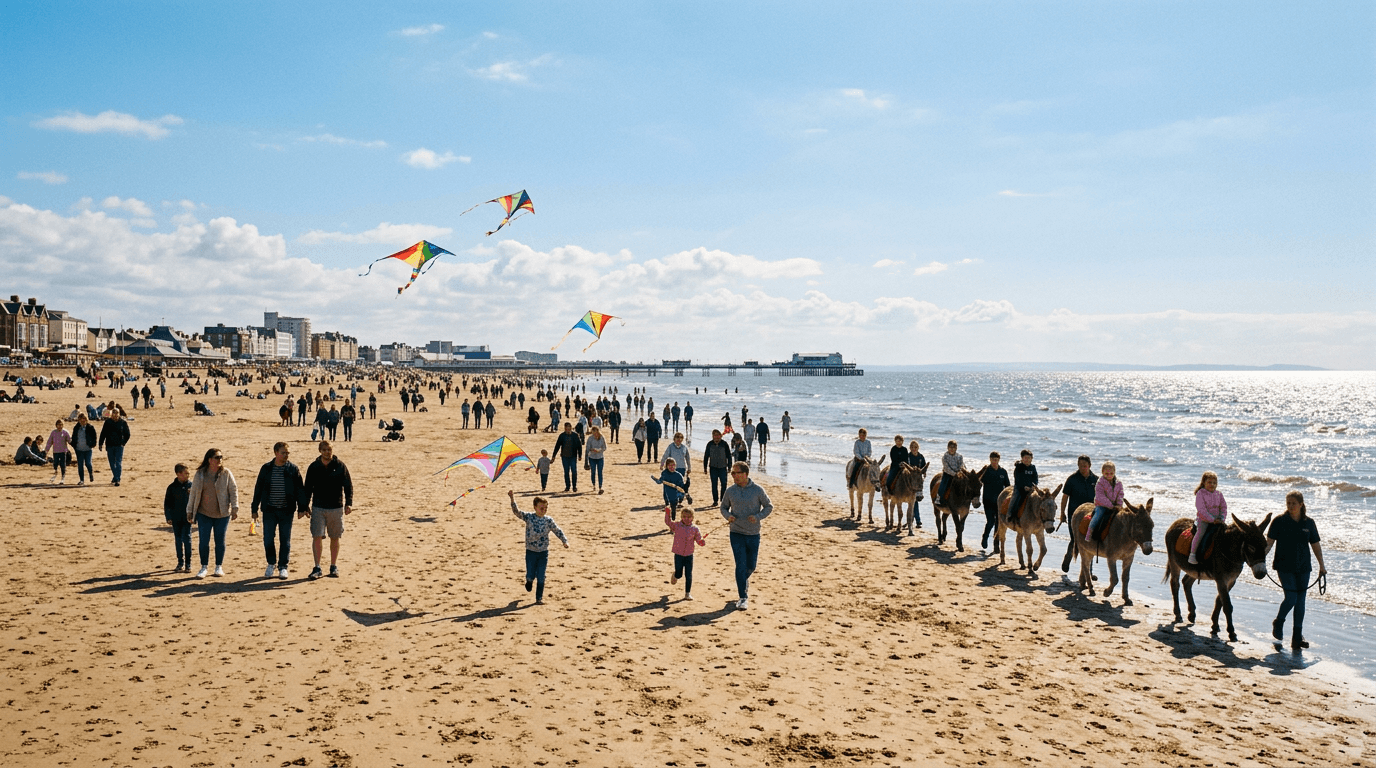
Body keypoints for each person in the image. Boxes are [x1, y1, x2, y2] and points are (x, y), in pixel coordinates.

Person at [1268, 491, 1325, 651]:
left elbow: (1315, 546)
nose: (1291, 506)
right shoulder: (1279, 521)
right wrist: (1258, 561)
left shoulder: (1309, 523)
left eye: (1294, 503)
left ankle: (1297, 638)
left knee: (1301, 601)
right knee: (1291, 598)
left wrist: (1322, 565)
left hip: (1304, 567)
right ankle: (1279, 621)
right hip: (1284, 566)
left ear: (1301, 504)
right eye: (1288, 503)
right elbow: (1269, 544)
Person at [251, 442, 307, 580]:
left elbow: (300, 489)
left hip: (286, 510)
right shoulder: (266, 468)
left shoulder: (293, 469)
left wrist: (302, 508)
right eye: (283, 453)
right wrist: (254, 508)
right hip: (269, 510)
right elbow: (258, 489)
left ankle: (283, 567)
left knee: (285, 539)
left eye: (287, 453)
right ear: (276, 452)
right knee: (268, 539)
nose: (286, 455)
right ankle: (271, 564)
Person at [722, 461, 773, 610]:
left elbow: (769, 506)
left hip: (753, 534)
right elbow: (723, 507)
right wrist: (728, 516)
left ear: (745, 474)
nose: (733, 476)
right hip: (736, 533)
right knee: (741, 564)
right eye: (732, 473)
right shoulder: (730, 491)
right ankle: (743, 597)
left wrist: (758, 516)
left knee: (751, 566)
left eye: (735, 473)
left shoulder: (757, 490)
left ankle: (742, 581)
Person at [303, 440, 354, 580]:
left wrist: (348, 503)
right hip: (318, 507)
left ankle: (333, 565)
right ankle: (317, 566)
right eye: (324, 449)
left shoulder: (340, 466)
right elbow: (307, 488)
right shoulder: (314, 467)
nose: (327, 452)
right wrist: (304, 506)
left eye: (329, 449)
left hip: (336, 507)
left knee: (335, 537)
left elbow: (348, 485)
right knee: (317, 536)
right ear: (320, 451)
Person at [508, 489, 569, 605]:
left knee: (541, 576)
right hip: (530, 552)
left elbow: (557, 530)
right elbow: (517, 512)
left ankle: (539, 598)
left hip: (543, 553)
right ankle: (529, 580)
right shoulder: (529, 517)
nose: (544, 510)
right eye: (541, 508)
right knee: (531, 573)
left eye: (546, 508)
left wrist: (564, 541)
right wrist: (512, 499)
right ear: (535, 507)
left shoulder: (548, 520)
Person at [186, 448, 239, 578]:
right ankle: (204, 567)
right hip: (204, 514)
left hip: (222, 514)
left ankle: (218, 567)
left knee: (220, 541)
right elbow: (193, 493)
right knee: (204, 541)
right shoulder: (200, 474)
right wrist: (189, 511)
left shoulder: (226, 473)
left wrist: (235, 508)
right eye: (217, 457)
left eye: (221, 457)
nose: (219, 459)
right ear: (209, 460)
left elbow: (233, 490)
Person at [1058, 455, 1097, 570]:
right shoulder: (1072, 479)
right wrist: (1062, 513)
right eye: (1080, 465)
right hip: (1074, 516)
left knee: (1090, 541)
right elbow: (1065, 497)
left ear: (1089, 465)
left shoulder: (1096, 480)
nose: (1082, 468)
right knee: (1075, 539)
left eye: (1084, 466)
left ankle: (1089, 571)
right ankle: (1068, 558)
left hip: (1091, 516)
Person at [665, 504, 706, 600]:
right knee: (679, 574)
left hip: (689, 554)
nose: (686, 519)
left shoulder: (695, 528)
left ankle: (687, 593)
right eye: (684, 517)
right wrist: (668, 513)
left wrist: (701, 542)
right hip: (678, 554)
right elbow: (668, 522)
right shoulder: (677, 526)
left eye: (689, 517)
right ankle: (675, 575)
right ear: (681, 517)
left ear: (692, 518)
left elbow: (698, 539)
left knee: (689, 574)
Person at [1190, 471, 1227, 565]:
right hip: (1204, 520)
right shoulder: (1200, 493)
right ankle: (1193, 554)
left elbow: (1223, 507)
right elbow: (1201, 509)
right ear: (1204, 483)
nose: (1212, 485)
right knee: (1200, 533)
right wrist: (1212, 519)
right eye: (1209, 482)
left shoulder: (1219, 494)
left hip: (1218, 520)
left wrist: (1222, 518)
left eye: (1214, 483)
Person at [164, 463, 193, 572]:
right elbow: (167, 503)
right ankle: (180, 562)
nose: (188, 475)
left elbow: (196, 502)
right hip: (176, 518)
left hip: (188, 518)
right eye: (186, 473)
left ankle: (188, 563)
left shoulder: (191, 485)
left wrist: (195, 516)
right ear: (178, 474)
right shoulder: (172, 487)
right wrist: (168, 517)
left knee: (187, 539)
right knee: (178, 540)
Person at [1085, 461, 1124, 542]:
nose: (1109, 475)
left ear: (1114, 472)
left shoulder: (1119, 483)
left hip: (1115, 505)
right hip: (1101, 505)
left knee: (1124, 517)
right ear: (1102, 472)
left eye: (1111, 473)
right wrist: (1111, 506)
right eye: (1106, 473)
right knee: (1097, 516)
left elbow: (1121, 494)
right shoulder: (1100, 483)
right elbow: (1100, 496)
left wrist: (1119, 505)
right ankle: (1089, 533)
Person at [979, 451, 1010, 551]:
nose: (994, 462)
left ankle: (996, 544)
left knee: (999, 523)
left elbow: (1008, 487)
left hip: (999, 502)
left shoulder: (1003, 472)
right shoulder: (986, 471)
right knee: (991, 521)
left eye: (996, 460)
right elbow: (978, 483)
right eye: (993, 460)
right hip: (987, 500)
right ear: (990, 459)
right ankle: (985, 537)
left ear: (999, 460)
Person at [98, 408, 131, 486]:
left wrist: (123, 442)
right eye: (114, 413)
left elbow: (127, 434)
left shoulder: (123, 422)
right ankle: (115, 476)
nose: (115, 415)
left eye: (117, 413)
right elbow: (103, 433)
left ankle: (117, 479)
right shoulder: (107, 422)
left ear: (119, 414)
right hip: (110, 445)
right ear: (111, 414)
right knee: (112, 463)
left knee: (118, 462)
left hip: (119, 446)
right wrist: (100, 444)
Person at [1006, 450, 1038, 524]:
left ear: (1032, 458)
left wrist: (1033, 486)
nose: (1027, 460)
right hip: (1019, 488)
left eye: (1029, 458)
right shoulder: (1019, 467)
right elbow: (1018, 479)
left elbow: (1035, 478)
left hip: (1030, 488)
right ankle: (1010, 514)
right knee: (1016, 498)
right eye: (1025, 458)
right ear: (1022, 458)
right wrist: (1024, 487)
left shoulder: (1033, 467)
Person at [702, 429, 733, 505]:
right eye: (714, 436)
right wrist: (705, 467)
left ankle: (722, 500)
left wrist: (729, 466)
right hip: (713, 468)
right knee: (714, 485)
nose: (716, 437)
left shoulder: (724, 444)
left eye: (718, 435)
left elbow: (729, 456)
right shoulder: (710, 444)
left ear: (720, 436)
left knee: (724, 484)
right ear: (712, 436)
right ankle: (715, 500)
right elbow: (706, 456)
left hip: (723, 468)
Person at [661, 432, 693, 504]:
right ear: (674, 439)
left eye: (680, 438)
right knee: (670, 485)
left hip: (681, 469)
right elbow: (665, 456)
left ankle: (680, 500)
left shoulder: (684, 448)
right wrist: (662, 464)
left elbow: (688, 458)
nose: (679, 439)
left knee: (680, 486)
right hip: (671, 469)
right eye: (677, 438)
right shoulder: (670, 447)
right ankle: (668, 500)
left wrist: (689, 468)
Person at [552, 422, 583, 493]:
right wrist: (554, 456)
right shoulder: (562, 436)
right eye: (566, 428)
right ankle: (567, 486)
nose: (568, 429)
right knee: (566, 472)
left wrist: (580, 455)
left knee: (574, 471)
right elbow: (557, 446)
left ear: (571, 428)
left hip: (573, 456)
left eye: (569, 428)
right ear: (565, 428)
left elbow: (579, 446)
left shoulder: (575, 435)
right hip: (564, 457)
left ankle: (574, 486)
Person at [70, 413, 97, 485]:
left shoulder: (90, 427)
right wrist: (73, 445)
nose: (83, 421)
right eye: (81, 419)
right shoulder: (76, 428)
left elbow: (94, 437)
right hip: (79, 449)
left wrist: (93, 444)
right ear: (79, 420)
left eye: (84, 419)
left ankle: (90, 473)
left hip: (88, 449)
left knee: (88, 463)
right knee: (80, 464)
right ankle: (81, 480)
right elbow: (74, 437)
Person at [44, 418, 72, 484]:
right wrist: (46, 450)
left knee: (63, 464)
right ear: (56, 425)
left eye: (61, 425)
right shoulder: (53, 432)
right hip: (55, 451)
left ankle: (63, 477)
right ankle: (55, 474)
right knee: (55, 463)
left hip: (63, 451)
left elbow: (69, 440)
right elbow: (49, 442)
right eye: (58, 425)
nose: (60, 426)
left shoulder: (65, 432)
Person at [586, 425, 608, 494]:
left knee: (600, 472)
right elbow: (587, 448)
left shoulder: (602, 438)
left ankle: (600, 486)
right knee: (593, 472)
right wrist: (591, 450)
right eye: (593, 432)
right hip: (592, 457)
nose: (594, 434)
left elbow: (604, 447)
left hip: (600, 457)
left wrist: (599, 450)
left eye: (595, 432)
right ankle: (594, 484)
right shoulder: (590, 438)